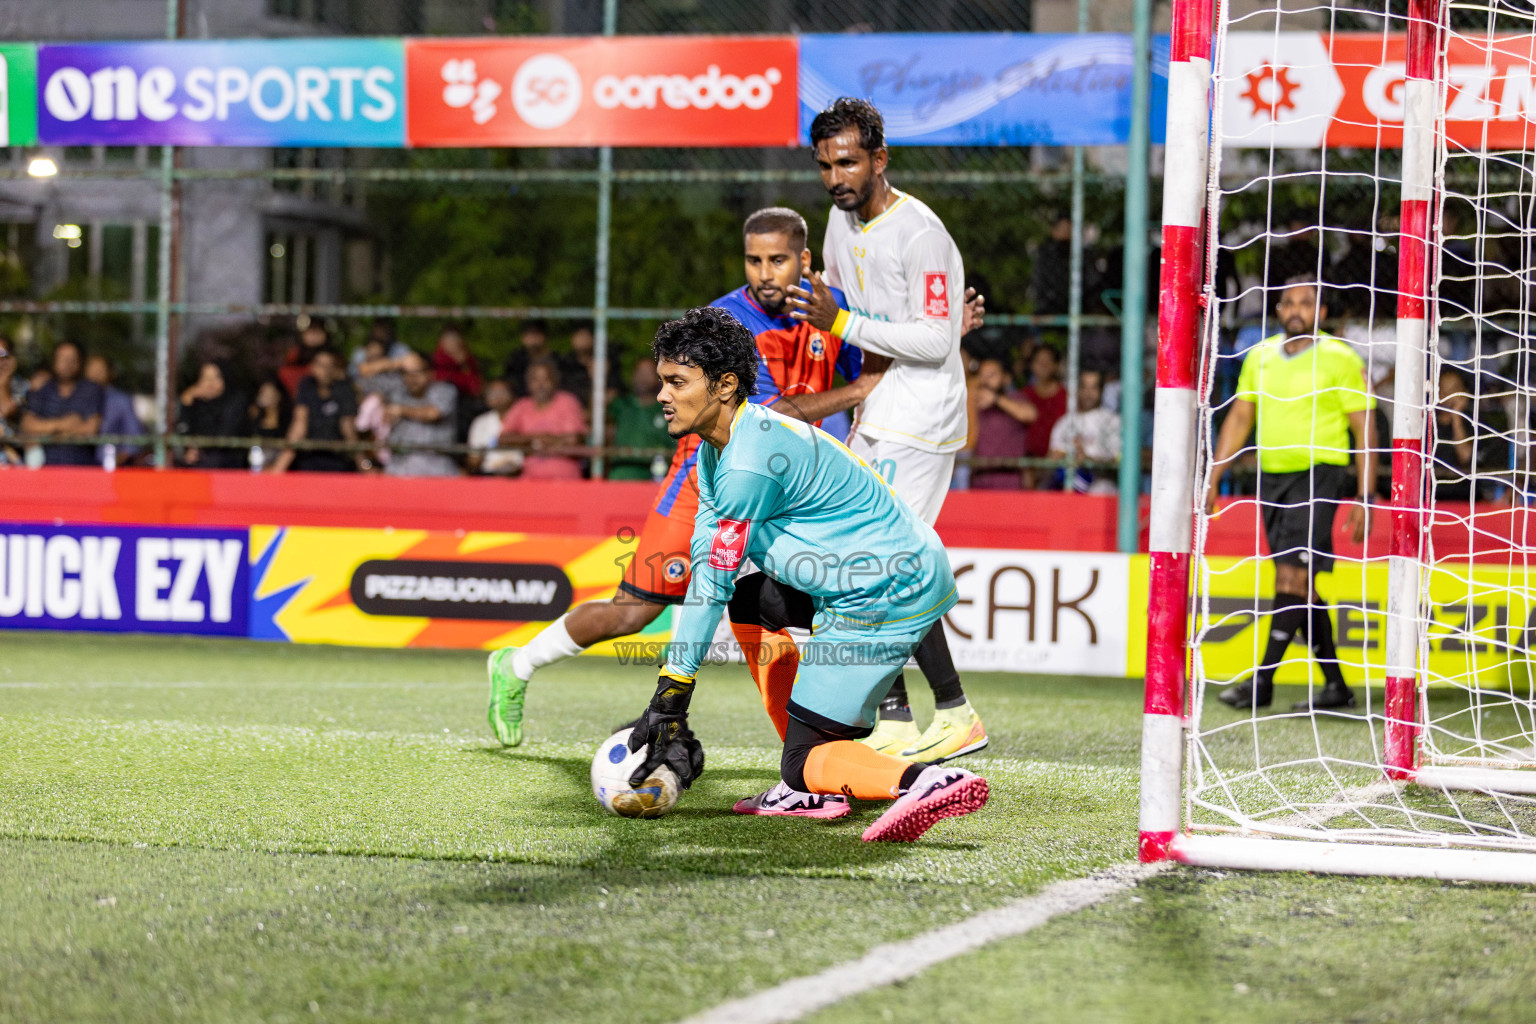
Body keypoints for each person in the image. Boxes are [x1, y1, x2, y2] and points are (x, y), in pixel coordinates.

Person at [484, 205, 892, 766]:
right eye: (753, 260)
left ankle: (818, 753)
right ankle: (516, 665)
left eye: (777, 260)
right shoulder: (727, 324)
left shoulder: (831, 310)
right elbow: (772, 413)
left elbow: (879, 364)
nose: (764, 273)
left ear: (804, 259)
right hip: (705, 481)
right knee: (631, 614)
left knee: (792, 605)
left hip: (786, 489)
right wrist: (856, 391)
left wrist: (934, 338)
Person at [619, 306, 990, 840]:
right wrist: (672, 691)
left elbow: (711, 580)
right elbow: (708, 565)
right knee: (750, 599)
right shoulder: (720, 449)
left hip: (882, 593)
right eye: (662, 381)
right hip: (876, 579)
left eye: (677, 382)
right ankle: (809, 769)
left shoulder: (747, 461)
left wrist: (672, 693)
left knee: (802, 763)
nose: (662, 395)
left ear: (724, 386)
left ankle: (922, 781)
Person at [785, 96, 988, 764]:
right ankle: (896, 718)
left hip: (923, 420)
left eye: (848, 163)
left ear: (880, 158)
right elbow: (868, 314)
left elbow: (932, 342)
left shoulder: (921, 233)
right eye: (825, 166)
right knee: (858, 560)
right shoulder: (840, 222)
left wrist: (842, 324)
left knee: (892, 561)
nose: (835, 178)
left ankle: (955, 713)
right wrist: (860, 377)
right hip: (879, 410)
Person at [1206, 277, 1376, 712]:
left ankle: (1262, 682)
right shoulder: (1259, 356)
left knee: (1291, 580)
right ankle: (1336, 687)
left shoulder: (1340, 357)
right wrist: (1213, 477)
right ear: (1278, 310)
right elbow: (1240, 418)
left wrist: (1365, 495)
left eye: (1306, 303)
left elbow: (1364, 427)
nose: (1296, 309)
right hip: (1272, 479)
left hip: (1319, 476)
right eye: (1288, 303)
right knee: (1303, 588)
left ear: (1321, 313)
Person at [269, 348, 371, 474]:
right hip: (309, 458)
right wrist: (279, 467)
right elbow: (299, 425)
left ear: (335, 369)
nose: (324, 370)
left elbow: (348, 430)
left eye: (328, 366)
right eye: (320, 364)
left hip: (337, 459)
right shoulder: (306, 386)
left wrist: (364, 465)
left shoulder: (344, 389)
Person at [499, 359, 587, 479]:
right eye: (535, 380)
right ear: (528, 383)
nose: (540, 385)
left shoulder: (566, 402)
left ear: (554, 381)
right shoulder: (522, 406)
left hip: (564, 478)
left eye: (546, 379)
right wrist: (537, 438)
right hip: (530, 478)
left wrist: (529, 443)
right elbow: (503, 439)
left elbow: (573, 439)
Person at [21, 341, 102, 467]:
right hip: (46, 468)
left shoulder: (91, 390)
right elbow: (28, 426)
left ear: (80, 362)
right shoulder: (43, 389)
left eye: (72, 359)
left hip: (81, 468)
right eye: (63, 359)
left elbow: (90, 429)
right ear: (54, 361)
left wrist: (44, 430)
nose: (67, 364)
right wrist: (63, 424)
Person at [381, 350, 459, 477]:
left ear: (430, 373)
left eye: (417, 372)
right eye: (407, 373)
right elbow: (363, 373)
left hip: (436, 469)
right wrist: (395, 363)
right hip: (399, 468)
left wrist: (401, 410)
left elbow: (433, 414)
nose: (412, 378)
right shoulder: (398, 393)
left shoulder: (444, 390)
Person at [1048, 369, 1121, 494]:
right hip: (1070, 495)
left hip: (1104, 494)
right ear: (1077, 389)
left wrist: (1087, 461)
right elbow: (1052, 458)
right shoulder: (1064, 423)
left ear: (1101, 390)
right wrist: (1065, 456)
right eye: (1084, 387)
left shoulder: (1113, 421)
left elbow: (1119, 462)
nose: (1088, 393)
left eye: (1093, 388)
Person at [971, 357, 1035, 490]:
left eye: (992, 375)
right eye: (982, 375)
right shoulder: (973, 403)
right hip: (979, 478)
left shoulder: (1015, 399)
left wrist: (996, 399)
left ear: (1005, 378)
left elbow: (1030, 415)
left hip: (1009, 479)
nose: (986, 380)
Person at [606, 356, 673, 481]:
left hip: (654, 478)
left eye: (648, 373)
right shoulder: (620, 405)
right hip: (620, 475)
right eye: (640, 372)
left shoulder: (666, 410)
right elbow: (595, 424)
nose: (643, 378)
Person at [177, 360, 250, 469]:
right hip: (200, 460)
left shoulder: (236, 400)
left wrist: (200, 446)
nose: (210, 383)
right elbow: (182, 431)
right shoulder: (196, 404)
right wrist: (186, 404)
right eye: (205, 378)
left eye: (216, 377)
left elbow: (224, 434)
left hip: (228, 462)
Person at [83, 353, 145, 467]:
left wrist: (117, 460)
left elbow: (135, 436)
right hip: (79, 466)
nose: (95, 375)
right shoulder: (77, 397)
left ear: (110, 373)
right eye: (92, 370)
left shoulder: (121, 400)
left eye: (100, 370)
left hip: (109, 466)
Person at [1021, 345, 1067, 487]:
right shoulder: (1025, 395)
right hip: (1028, 465)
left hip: (1058, 463)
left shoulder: (1066, 396)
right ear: (1032, 365)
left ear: (1056, 365)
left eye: (1048, 361)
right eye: (1039, 361)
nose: (1043, 365)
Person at [561, 323, 623, 410]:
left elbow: (613, 393)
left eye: (584, 335)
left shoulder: (607, 362)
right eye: (577, 334)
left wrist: (598, 377)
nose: (580, 339)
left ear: (593, 338)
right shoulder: (566, 364)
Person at [467, 378, 522, 476]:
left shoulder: (523, 418)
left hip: (520, 475)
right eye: (493, 393)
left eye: (502, 392)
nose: (498, 397)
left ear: (513, 395)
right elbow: (474, 459)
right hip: (489, 475)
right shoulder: (480, 422)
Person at [278, 319, 331, 397]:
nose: (314, 336)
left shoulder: (329, 354)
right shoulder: (296, 351)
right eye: (311, 332)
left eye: (318, 332)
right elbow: (284, 371)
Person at [502, 320, 551, 398]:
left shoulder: (556, 359)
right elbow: (508, 383)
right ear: (523, 338)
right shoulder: (515, 359)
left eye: (536, 334)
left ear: (544, 336)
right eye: (529, 334)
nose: (533, 338)